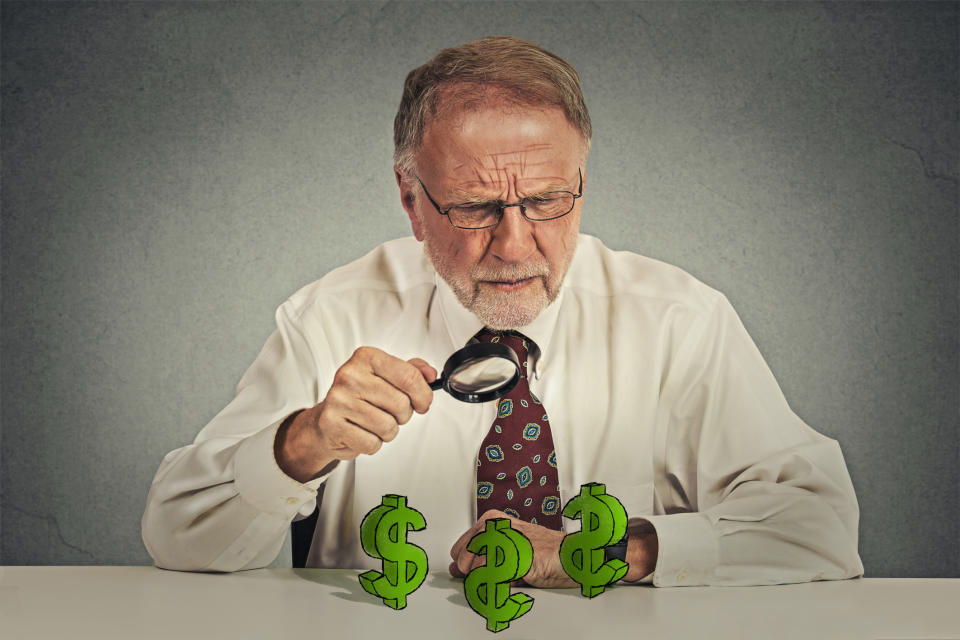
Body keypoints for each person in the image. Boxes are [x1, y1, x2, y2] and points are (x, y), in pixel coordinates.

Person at [142, 36, 864, 587]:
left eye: (549, 201)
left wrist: (606, 553)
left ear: (582, 179)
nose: (515, 244)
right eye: (476, 206)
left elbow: (820, 526)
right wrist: (299, 445)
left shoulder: (678, 320)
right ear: (410, 200)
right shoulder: (331, 315)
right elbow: (179, 538)